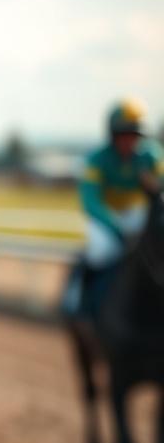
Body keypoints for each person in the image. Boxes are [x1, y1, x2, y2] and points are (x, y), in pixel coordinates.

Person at [62, 99, 164, 319]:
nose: (130, 142)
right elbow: (90, 202)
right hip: (104, 219)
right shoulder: (96, 161)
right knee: (101, 251)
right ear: (113, 135)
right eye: (124, 135)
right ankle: (79, 301)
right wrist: (117, 228)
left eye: (135, 136)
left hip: (138, 214)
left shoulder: (152, 156)